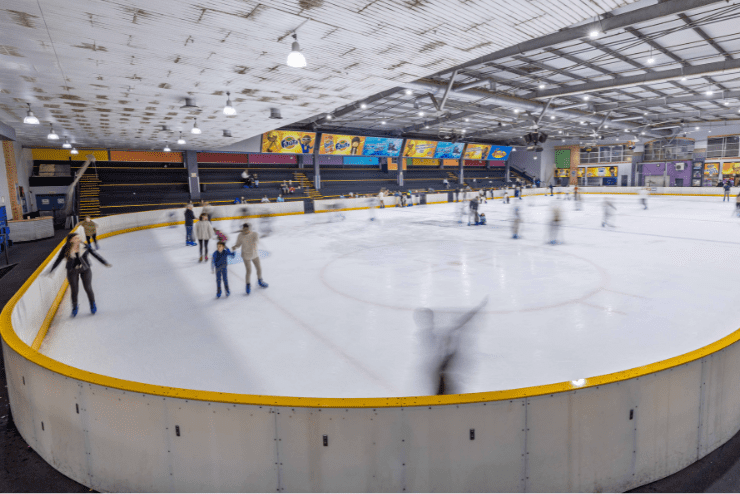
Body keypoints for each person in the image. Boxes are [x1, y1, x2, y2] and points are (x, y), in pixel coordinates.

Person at [49, 232, 111, 316]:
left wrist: (104, 262)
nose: (79, 239)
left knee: (88, 288)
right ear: (71, 240)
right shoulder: (66, 248)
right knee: (74, 290)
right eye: (76, 238)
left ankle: (92, 304)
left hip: (85, 269)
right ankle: (75, 307)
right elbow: (59, 259)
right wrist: (52, 270)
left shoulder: (84, 246)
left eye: (79, 237)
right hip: (72, 271)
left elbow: (94, 254)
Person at [232, 223, 269, 294]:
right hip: (246, 256)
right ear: (243, 228)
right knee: (249, 270)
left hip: (254, 254)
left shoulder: (254, 234)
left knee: (259, 268)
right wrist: (234, 247)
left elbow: (256, 241)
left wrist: (253, 237)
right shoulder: (240, 235)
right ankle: (248, 284)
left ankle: (260, 281)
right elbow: (238, 244)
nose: (245, 230)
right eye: (244, 229)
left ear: (249, 229)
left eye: (247, 229)